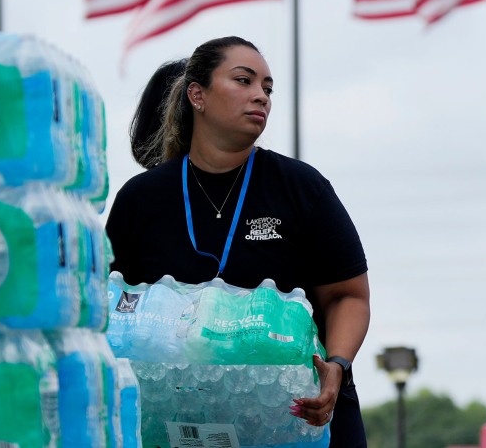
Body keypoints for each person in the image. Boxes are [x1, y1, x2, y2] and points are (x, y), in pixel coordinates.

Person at [106, 36, 370, 445]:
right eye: (244, 81)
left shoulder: (302, 187)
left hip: (300, 417)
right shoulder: (140, 199)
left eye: (266, 88)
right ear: (197, 95)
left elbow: (348, 296)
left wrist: (337, 364)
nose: (260, 96)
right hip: (178, 423)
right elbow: (111, 307)